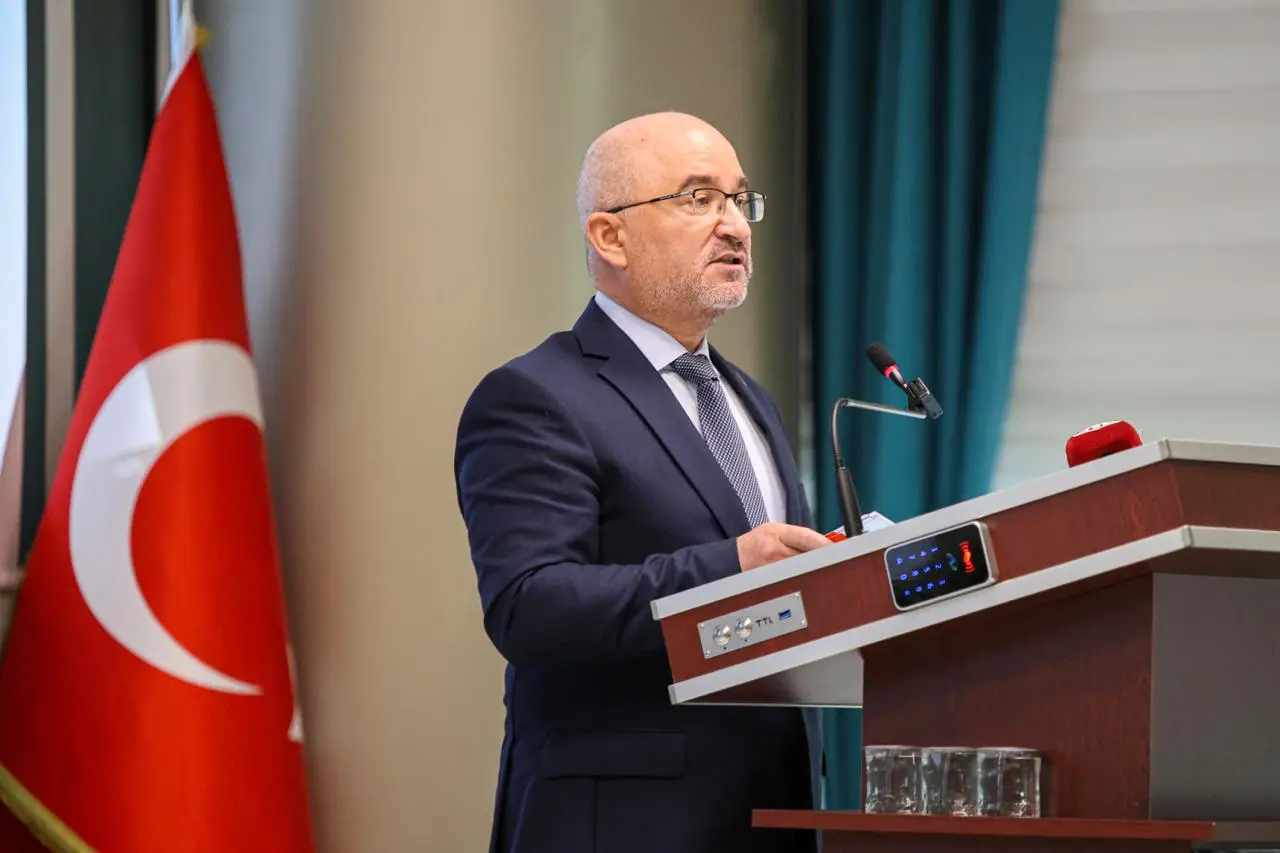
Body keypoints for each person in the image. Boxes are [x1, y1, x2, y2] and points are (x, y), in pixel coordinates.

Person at [454, 111, 832, 853]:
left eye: (740, 199)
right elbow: (529, 606)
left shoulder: (749, 399)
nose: (734, 225)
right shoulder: (535, 395)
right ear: (610, 237)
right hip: (623, 823)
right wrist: (732, 566)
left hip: (774, 815)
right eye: (698, 198)